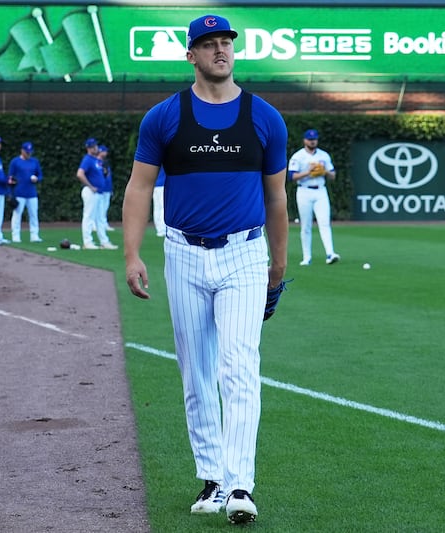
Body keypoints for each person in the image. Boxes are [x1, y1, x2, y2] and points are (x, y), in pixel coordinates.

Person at [121, 14, 288, 525]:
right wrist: (131, 253)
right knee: (196, 372)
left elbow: (277, 198)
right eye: (209, 44)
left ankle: (241, 485)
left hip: (243, 254)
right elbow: (138, 188)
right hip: (183, 254)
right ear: (190, 55)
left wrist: (277, 267)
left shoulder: (264, 117)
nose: (221, 51)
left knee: (239, 366)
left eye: (226, 43)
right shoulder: (164, 117)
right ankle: (212, 479)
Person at [287, 128, 341, 265]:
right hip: (304, 191)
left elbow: (333, 175)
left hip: (320, 191)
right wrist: (308, 172)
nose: (312, 141)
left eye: (314, 139)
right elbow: (291, 176)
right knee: (306, 225)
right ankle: (307, 257)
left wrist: (325, 172)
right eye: (310, 139)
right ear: (305, 140)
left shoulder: (323, 155)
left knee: (324, 222)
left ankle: (330, 253)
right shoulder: (298, 156)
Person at [76, 138, 117, 250]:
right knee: (89, 217)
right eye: (93, 146)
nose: (96, 148)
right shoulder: (88, 159)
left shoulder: (96, 160)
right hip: (91, 192)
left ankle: (104, 241)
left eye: (96, 146)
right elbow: (80, 174)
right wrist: (90, 186)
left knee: (99, 218)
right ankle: (87, 242)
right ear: (89, 148)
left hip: (98, 192)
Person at [8, 141, 43, 243]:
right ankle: (15, 236)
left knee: (34, 214)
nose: (29, 154)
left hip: (32, 192)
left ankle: (34, 235)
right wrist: (10, 192)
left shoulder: (34, 161)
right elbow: (10, 177)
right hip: (19, 192)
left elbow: (40, 175)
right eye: (27, 152)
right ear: (22, 151)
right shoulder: (15, 162)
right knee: (17, 215)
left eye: (30, 152)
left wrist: (37, 179)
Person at [97, 145, 115, 231]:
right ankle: (97, 224)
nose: (106, 153)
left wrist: (111, 188)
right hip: (101, 189)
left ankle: (104, 224)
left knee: (105, 208)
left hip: (107, 188)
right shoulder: (97, 162)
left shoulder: (106, 162)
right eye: (104, 151)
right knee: (99, 208)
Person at [152, 167, 166, 237]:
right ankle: (162, 229)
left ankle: (159, 228)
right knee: (163, 207)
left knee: (157, 208)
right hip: (163, 184)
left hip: (155, 185)